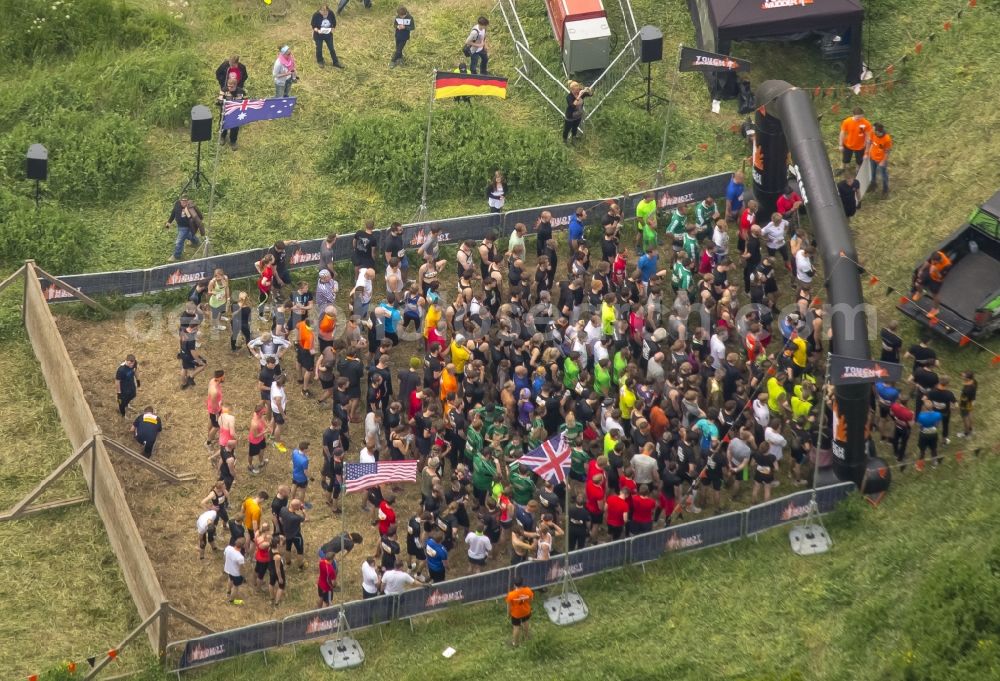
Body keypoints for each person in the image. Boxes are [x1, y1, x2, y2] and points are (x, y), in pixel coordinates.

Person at [164, 196, 201, 262]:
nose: (184, 202)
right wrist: (169, 221)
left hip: (186, 227)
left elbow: (197, 218)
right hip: (180, 225)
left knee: (179, 241)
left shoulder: (191, 208)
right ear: (180, 200)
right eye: (182, 201)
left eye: (186, 201)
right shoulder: (177, 204)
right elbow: (173, 212)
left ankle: (176, 256)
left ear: (188, 201)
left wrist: (187, 213)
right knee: (188, 235)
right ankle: (196, 242)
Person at [838, 107, 872, 173]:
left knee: (859, 160)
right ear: (853, 115)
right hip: (848, 144)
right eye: (858, 117)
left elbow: (868, 136)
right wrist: (840, 145)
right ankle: (845, 166)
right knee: (846, 157)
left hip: (860, 146)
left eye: (861, 117)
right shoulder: (847, 121)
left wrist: (867, 149)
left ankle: (858, 168)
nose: (859, 119)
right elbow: (842, 133)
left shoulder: (866, 123)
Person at [217, 74, 245, 150]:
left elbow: (242, 102)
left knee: (235, 127)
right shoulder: (224, 90)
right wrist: (220, 99)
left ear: (235, 85)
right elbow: (219, 101)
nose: (229, 88)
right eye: (228, 86)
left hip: (235, 112)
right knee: (223, 124)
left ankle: (233, 141)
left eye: (231, 87)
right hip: (225, 111)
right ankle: (222, 137)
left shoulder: (240, 91)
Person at [312, 4, 343, 68]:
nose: (324, 14)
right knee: (319, 49)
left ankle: (335, 62)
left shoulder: (331, 13)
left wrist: (332, 29)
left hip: (328, 35)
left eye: (325, 12)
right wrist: (318, 31)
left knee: (331, 48)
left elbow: (334, 23)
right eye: (322, 12)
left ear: (327, 10)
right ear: (320, 10)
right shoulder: (316, 15)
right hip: (318, 35)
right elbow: (313, 26)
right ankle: (320, 61)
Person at [506, 576, 534, 647]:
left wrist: (508, 614)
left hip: (516, 614)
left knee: (516, 627)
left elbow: (509, 607)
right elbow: (531, 600)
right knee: (526, 623)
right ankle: (527, 637)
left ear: (514, 585)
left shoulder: (511, 595)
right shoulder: (528, 590)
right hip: (526, 611)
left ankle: (515, 643)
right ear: (522, 583)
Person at [868, 122, 892, 197]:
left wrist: (883, 161)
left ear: (880, 132)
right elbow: (869, 142)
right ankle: (873, 185)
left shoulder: (887, 139)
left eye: (875, 132)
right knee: (872, 172)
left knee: (883, 175)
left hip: (881, 160)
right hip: (872, 157)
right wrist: (867, 152)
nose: (874, 133)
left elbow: (887, 152)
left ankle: (885, 189)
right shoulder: (873, 132)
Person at [223, 537, 246, 605]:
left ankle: (228, 592)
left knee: (230, 579)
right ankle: (231, 601)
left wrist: (225, 564)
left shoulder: (228, 548)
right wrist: (243, 576)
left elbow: (224, 557)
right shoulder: (240, 557)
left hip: (229, 570)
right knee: (236, 587)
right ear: (243, 546)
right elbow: (241, 568)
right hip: (236, 574)